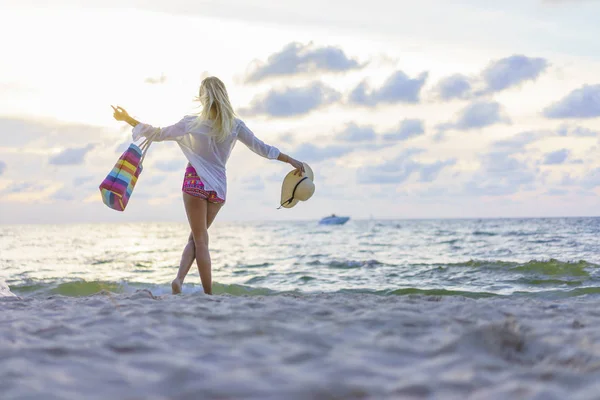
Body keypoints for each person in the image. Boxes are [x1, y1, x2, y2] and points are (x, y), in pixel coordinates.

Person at [112, 76, 305, 295]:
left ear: (203, 97)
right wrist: (291, 160)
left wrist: (128, 119)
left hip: (194, 182)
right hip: (217, 189)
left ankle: (200, 291)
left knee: (199, 239)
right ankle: (184, 282)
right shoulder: (235, 125)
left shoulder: (191, 122)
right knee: (198, 238)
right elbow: (261, 148)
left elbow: (157, 133)